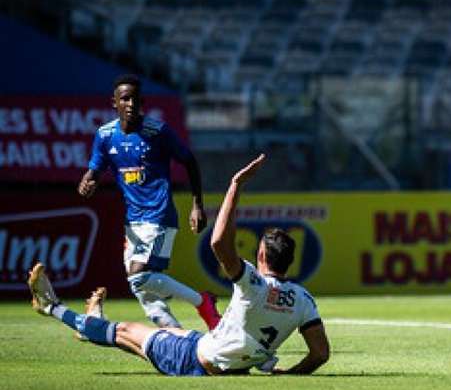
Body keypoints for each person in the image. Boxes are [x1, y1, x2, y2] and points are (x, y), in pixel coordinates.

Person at [28, 153, 330, 377]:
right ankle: (92, 325)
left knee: (124, 331)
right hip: (215, 350)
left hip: (192, 360)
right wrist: (290, 374)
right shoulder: (304, 300)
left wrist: (235, 186)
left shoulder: (255, 284)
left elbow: (218, 244)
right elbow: (320, 354)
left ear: (261, 257)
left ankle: (50, 306)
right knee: (170, 329)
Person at [78, 74, 220, 330]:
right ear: (114, 103)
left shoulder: (158, 132)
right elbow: (96, 169)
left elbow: (189, 161)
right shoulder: (105, 135)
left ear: (142, 102)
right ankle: (179, 340)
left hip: (160, 216)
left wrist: (198, 204)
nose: (131, 104)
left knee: (138, 275)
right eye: (125, 99)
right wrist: (88, 180)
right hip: (132, 222)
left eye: (135, 99)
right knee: (146, 294)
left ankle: (202, 301)